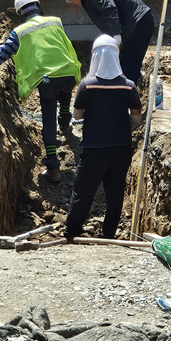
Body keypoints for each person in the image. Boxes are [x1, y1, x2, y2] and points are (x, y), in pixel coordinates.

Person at [0, 0, 81, 183]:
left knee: (48, 118)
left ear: (21, 14)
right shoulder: (55, 21)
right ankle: (65, 122)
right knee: (65, 92)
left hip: (46, 80)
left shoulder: (20, 32)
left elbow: (3, 53)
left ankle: (53, 166)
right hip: (69, 72)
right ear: (38, 7)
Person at [64, 35, 142, 241]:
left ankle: (73, 231)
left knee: (83, 190)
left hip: (94, 148)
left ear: (95, 57)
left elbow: (77, 116)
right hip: (121, 147)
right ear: (116, 57)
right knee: (115, 192)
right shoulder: (128, 86)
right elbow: (137, 117)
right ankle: (108, 233)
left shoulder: (86, 86)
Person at [58, 0, 155, 85]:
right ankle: (126, 96)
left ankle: (125, 99)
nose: (73, 3)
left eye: (70, 0)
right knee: (125, 65)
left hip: (138, 22)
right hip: (137, 23)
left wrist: (116, 36)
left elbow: (109, 9)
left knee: (128, 68)